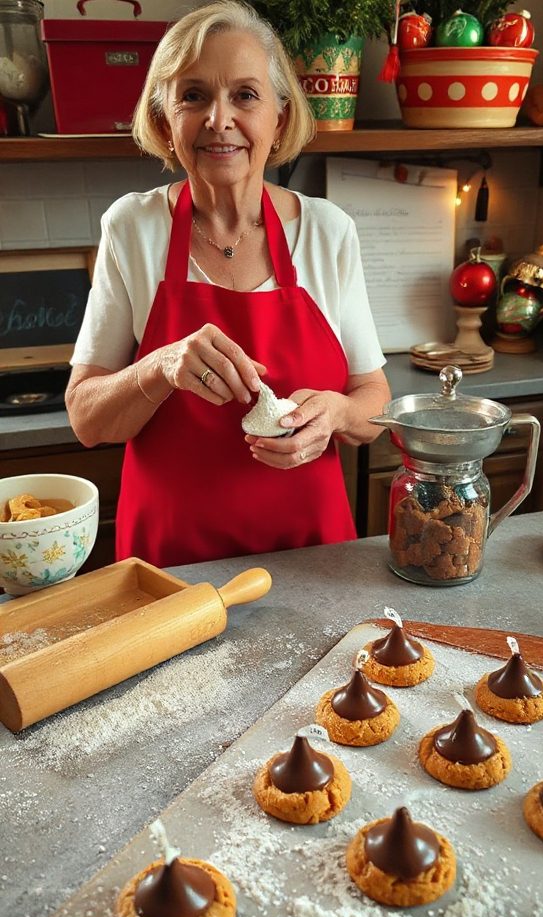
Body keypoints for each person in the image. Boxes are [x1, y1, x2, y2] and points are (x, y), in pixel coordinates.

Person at [66, 0, 391, 569]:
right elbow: (87, 419)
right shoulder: (133, 227)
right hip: (170, 566)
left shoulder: (328, 232)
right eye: (193, 95)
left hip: (310, 555)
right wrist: (160, 367)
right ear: (166, 120)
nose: (219, 119)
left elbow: (375, 401)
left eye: (245, 94)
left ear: (280, 119)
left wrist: (338, 414)